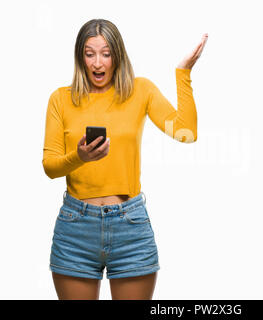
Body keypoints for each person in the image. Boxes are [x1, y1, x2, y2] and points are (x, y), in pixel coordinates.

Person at [42, 18, 208, 300]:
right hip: (75, 229)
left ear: (117, 55)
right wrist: (79, 157)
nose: (98, 63)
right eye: (89, 53)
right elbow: (50, 167)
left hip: (130, 226)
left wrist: (183, 73)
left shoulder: (140, 91)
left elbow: (186, 133)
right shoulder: (60, 99)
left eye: (106, 54)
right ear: (80, 56)